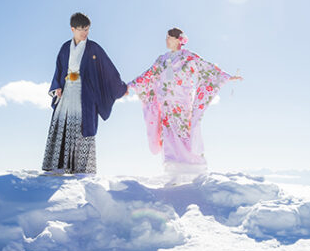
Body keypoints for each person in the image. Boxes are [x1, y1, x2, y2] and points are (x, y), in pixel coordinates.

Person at [128, 28, 242, 176]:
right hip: (166, 103)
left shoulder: (188, 57)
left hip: (181, 101)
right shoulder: (161, 59)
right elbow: (148, 75)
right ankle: (172, 168)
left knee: (183, 133)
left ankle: (192, 167)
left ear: (178, 40)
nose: (167, 41)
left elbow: (206, 67)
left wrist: (226, 76)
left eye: (169, 38)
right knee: (168, 134)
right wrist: (130, 85)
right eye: (166, 38)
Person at [42, 12, 127, 174]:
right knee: (63, 123)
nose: (84, 33)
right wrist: (57, 86)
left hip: (85, 92)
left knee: (83, 126)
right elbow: (59, 69)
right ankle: (57, 167)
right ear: (72, 29)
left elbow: (108, 69)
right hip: (67, 89)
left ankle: (81, 169)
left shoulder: (93, 48)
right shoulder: (65, 47)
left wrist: (120, 87)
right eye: (81, 29)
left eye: (87, 29)